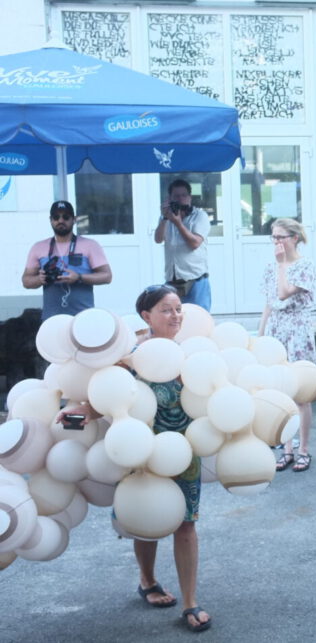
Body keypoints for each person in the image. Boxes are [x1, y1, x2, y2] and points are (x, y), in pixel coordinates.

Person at [57, 285, 211, 632]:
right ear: (147, 316)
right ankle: (148, 581)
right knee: (148, 518)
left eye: (178, 309)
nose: (176, 316)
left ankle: (190, 602)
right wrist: (77, 412)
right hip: (138, 449)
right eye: (166, 310)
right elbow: (107, 399)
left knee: (186, 524)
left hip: (182, 451)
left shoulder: (192, 351)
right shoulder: (130, 359)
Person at [259, 218, 316, 473]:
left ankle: (303, 449)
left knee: (301, 393)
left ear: (294, 238)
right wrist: (260, 335)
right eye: (274, 238)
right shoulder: (271, 267)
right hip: (277, 329)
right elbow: (270, 302)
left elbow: (284, 293)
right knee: (280, 392)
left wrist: (282, 264)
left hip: (297, 330)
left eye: (281, 237)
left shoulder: (304, 265)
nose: (277, 242)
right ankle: (287, 448)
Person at [22, 200, 112, 319]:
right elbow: (26, 281)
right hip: (51, 319)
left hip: (83, 318)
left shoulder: (90, 245)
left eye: (66, 217)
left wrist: (79, 277)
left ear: (74, 220)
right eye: (56, 217)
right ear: (50, 220)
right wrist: (40, 279)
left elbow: (107, 276)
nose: (60, 221)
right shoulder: (38, 247)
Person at [155, 179, 211, 311]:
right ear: (170, 198)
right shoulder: (167, 217)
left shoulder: (200, 216)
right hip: (172, 279)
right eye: (176, 196)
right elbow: (158, 239)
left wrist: (178, 223)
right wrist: (164, 218)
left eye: (184, 195)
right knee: (173, 323)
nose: (180, 199)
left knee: (199, 320)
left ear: (190, 197)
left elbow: (195, 243)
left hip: (195, 280)